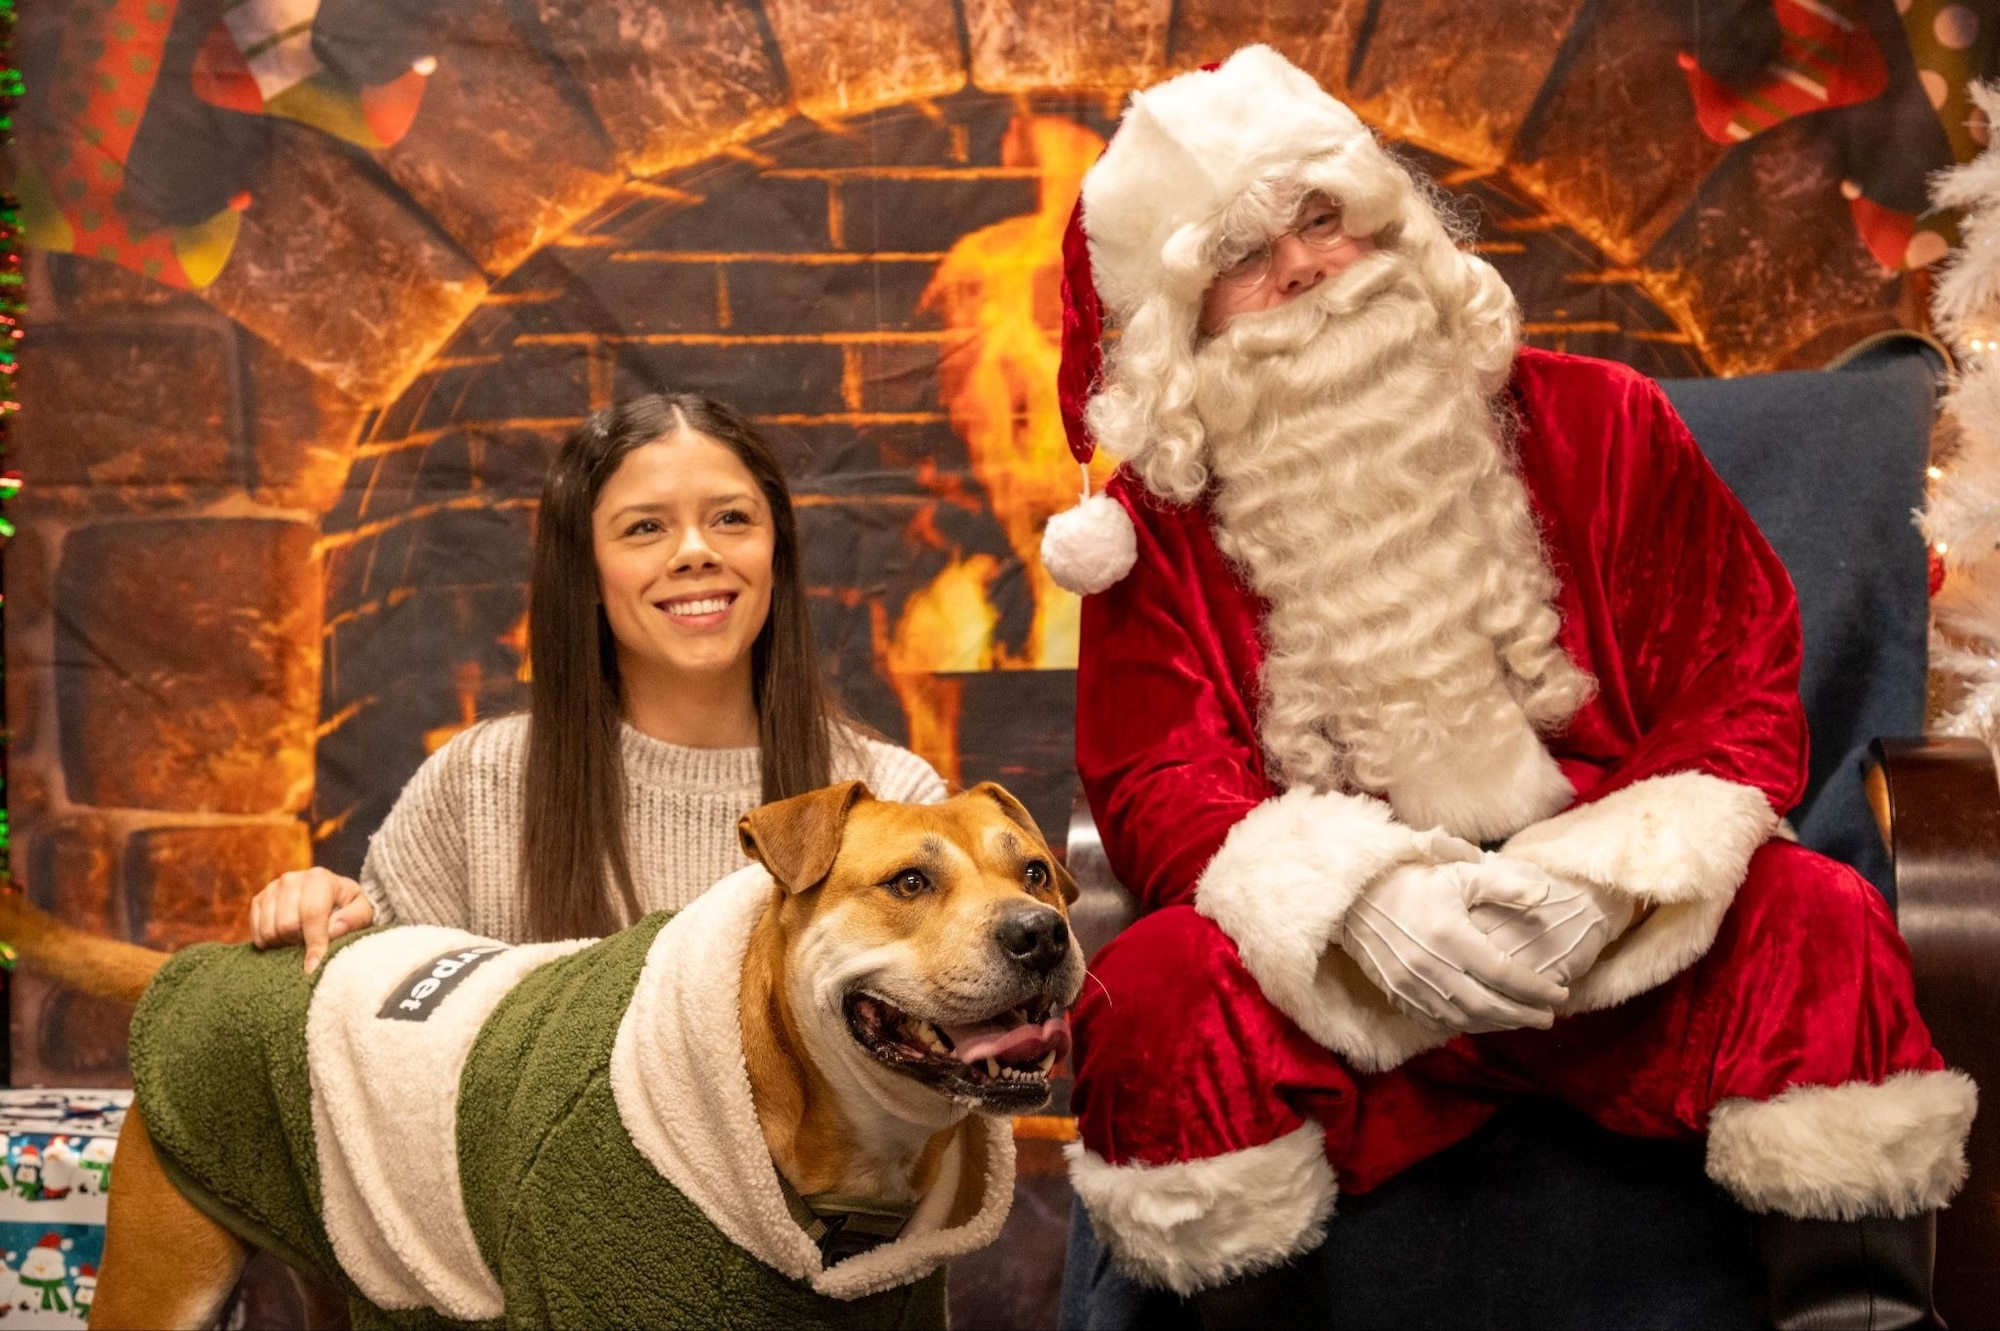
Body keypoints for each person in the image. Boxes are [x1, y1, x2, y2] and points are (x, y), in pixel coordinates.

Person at [1039, 45, 1975, 1330]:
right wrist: (1358, 905)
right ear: (1183, 320)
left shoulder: (1604, 420)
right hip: (1344, 981)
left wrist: (1610, 879)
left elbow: (1735, 682)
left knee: (1814, 920)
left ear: (1386, 227)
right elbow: (1154, 778)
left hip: (1619, 943)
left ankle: (1847, 1312)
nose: (1305, 268)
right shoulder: (1162, 524)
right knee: (1154, 997)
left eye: (1323, 219)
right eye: (1243, 259)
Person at [251, 393, 945, 963]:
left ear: (776, 553)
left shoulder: (896, 795)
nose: (696, 552)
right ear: (584, 568)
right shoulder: (475, 787)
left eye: (731, 518)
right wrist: (316, 916)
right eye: (646, 528)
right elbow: (378, 1034)